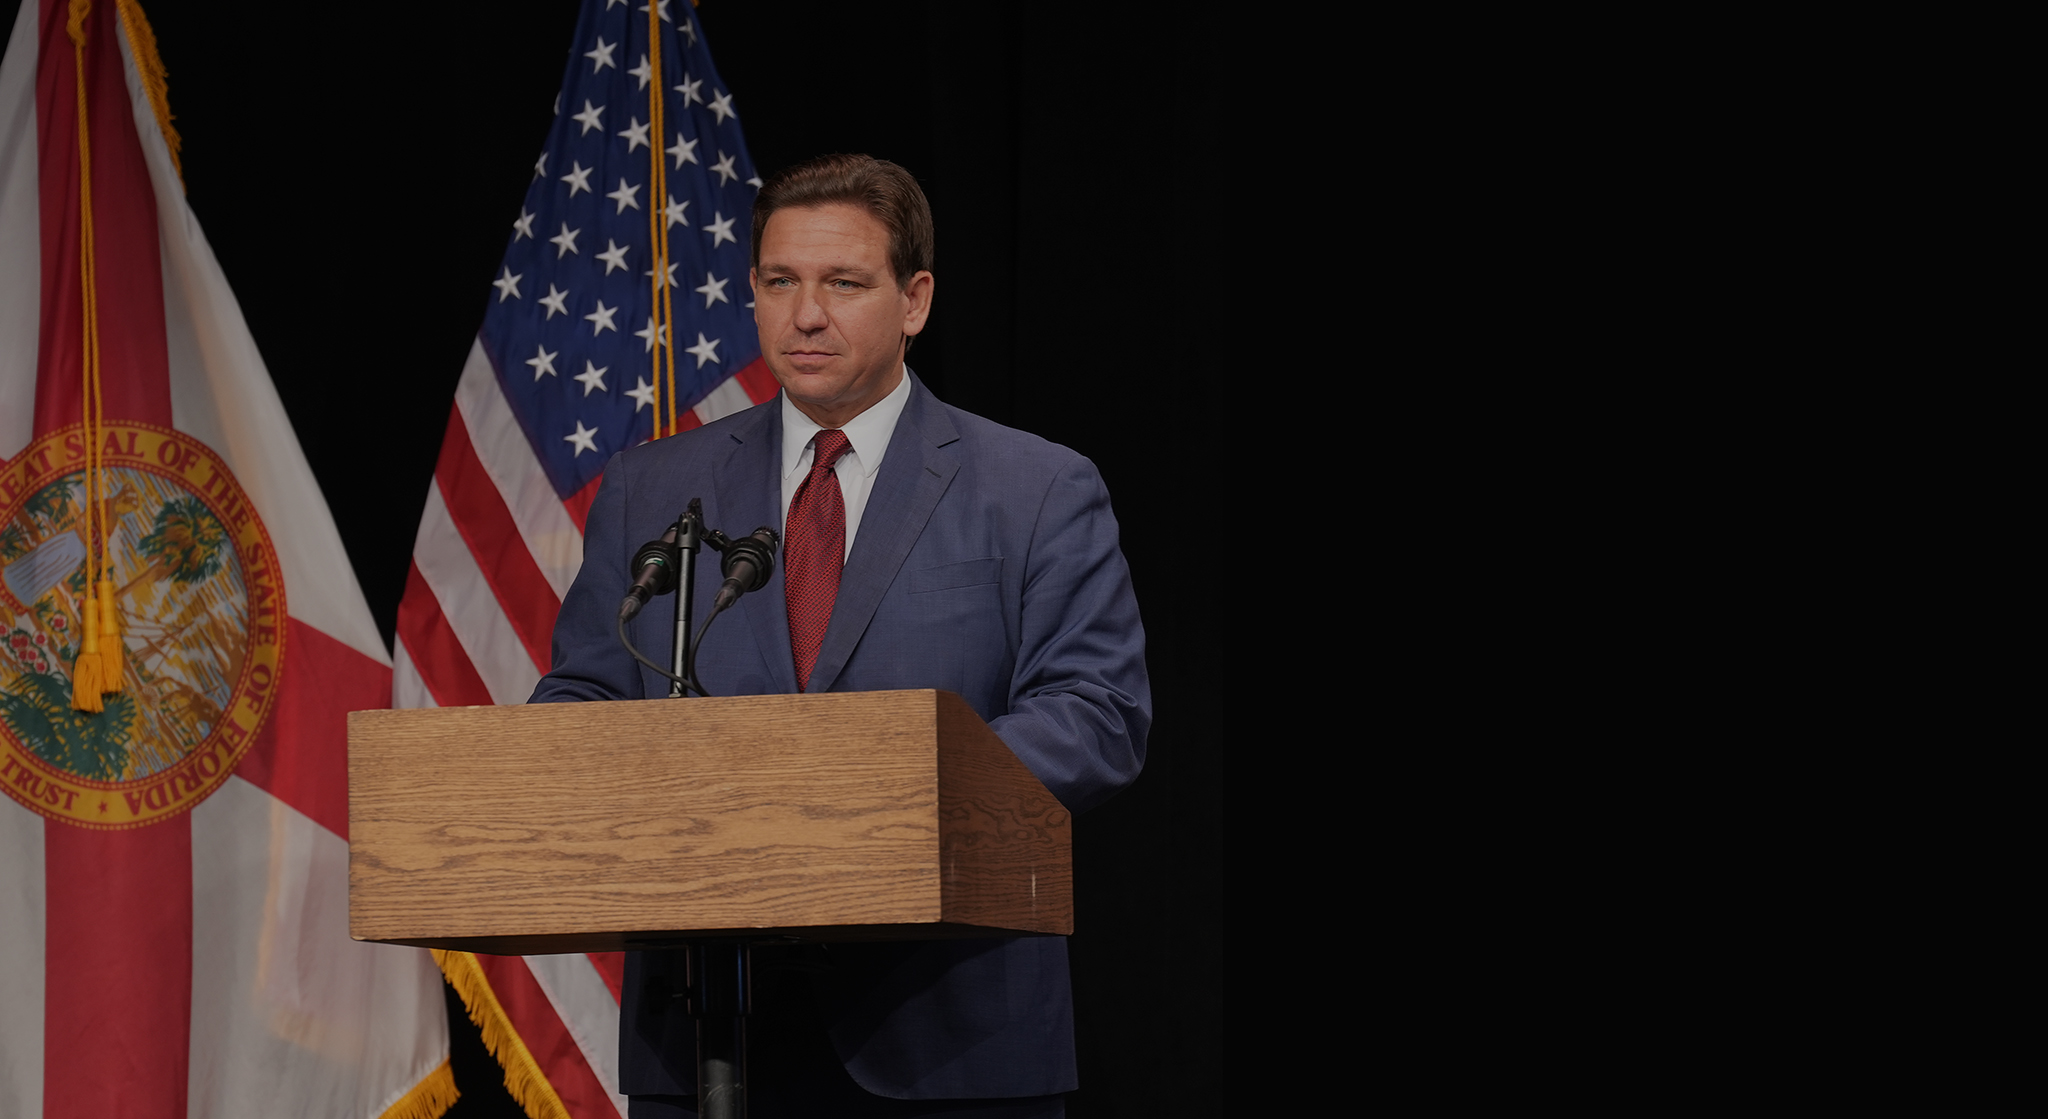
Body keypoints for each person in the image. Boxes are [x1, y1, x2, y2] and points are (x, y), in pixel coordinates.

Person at [530, 153, 1150, 1118]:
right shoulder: (652, 489)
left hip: (951, 1036)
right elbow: (585, 695)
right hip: (705, 1039)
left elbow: (1097, 712)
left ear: (915, 300)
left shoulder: (1034, 488)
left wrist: (878, 792)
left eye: (844, 283)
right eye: (781, 282)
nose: (805, 314)